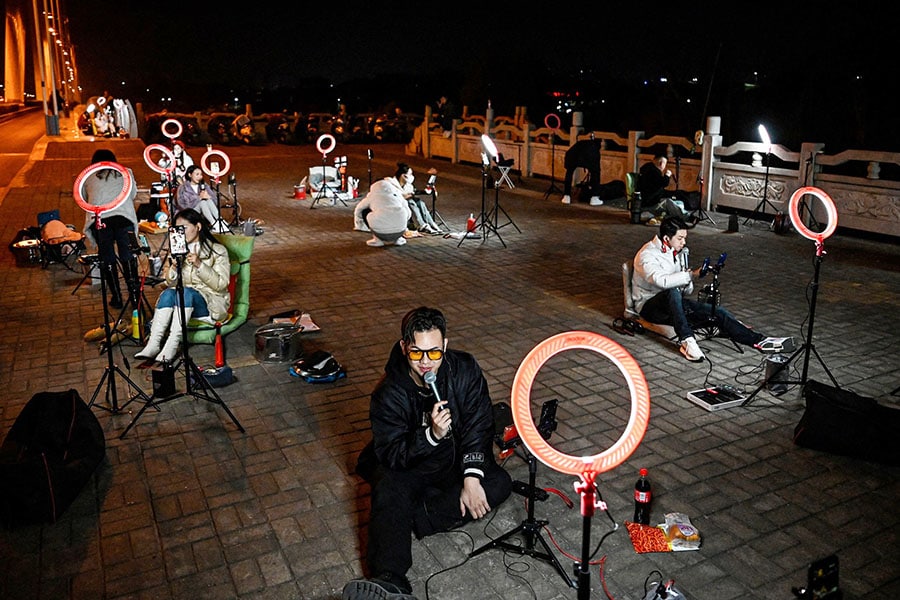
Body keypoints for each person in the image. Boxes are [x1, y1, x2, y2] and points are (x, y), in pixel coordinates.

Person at [342, 307, 512, 600]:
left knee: (498, 484)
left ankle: (410, 518)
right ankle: (390, 579)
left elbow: (479, 425)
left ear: (445, 346)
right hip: (412, 462)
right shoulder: (388, 392)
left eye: (434, 353)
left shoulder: (465, 368)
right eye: (416, 353)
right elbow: (392, 454)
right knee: (389, 488)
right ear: (404, 347)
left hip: (455, 460)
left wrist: (471, 477)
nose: (425, 363)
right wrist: (430, 436)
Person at [631, 216, 787, 362]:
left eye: (685, 238)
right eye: (680, 238)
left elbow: (685, 291)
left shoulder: (676, 253)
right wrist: (690, 275)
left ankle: (760, 341)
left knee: (717, 313)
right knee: (672, 292)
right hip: (649, 305)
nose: (683, 242)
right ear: (666, 238)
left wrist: (687, 278)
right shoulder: (647, 255)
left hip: (673, 304)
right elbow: (662, 281)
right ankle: (687, 340)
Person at [135, 208, 231, 363]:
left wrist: (200, 265)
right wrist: (174, 267)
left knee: (186, 292)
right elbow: (167, 284)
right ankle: (153, 344)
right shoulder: (177, 251)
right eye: (177, 229)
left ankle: (172, 344)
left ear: (198, 227)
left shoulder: (217, 251)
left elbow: (221, 284)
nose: (180, 233)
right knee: (168, 293)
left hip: (211, 304)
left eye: (184, 228)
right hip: (184, 304)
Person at [81, 149, 139, 309]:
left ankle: (117, 297)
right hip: (123, 218)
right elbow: (132, 194)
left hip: (100, 220)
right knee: (127, 255)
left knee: (107, 257)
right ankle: (135, 297)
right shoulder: (126, 172)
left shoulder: (87, 177)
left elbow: (84, 199)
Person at [353, 171, 412, 247]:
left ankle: (377, 240)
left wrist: (359, 224)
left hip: (381, 232)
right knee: (401, 211)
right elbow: (408, 211)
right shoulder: (397, 194)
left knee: (366, 211)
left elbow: (359, 209)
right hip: (400, 230)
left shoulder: (372, 196)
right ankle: (398, 239)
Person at [638, 154, 697, 226]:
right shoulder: (653, 171)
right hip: (650, 203)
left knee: (678, 200)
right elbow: (663, 183)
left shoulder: (647, 168)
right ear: (661, 163)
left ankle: (677, 217)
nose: (664, 166)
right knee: (669, 202)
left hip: (652, 199)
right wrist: (667, 175)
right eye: (665, 164)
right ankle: (689, 218)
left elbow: (657, 186)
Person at [175, 165, 227, 233]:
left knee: (207, 201)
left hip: (202, 210)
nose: (200, 177)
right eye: (197, 174)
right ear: (190, 175)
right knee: (202, 202)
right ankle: (214, 223)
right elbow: (182, 204)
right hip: (188, 211)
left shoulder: (204, 185)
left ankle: (220, 220)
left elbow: (215, 201)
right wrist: (199, 198)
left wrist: (209, 197)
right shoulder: (183, 187)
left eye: (201, 174)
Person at [395, 162, 441, 234]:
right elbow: (398, 197)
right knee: (411, 203)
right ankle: (421, 225)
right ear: (403, 176)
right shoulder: (394, 184)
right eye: (410, 174)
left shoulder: (408, 185)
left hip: (408, 200)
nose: (412, 176)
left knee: (420, 202)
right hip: (398, 203)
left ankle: (431, 223)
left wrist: (423, 192)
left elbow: (412, 192)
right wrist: (410, 195)